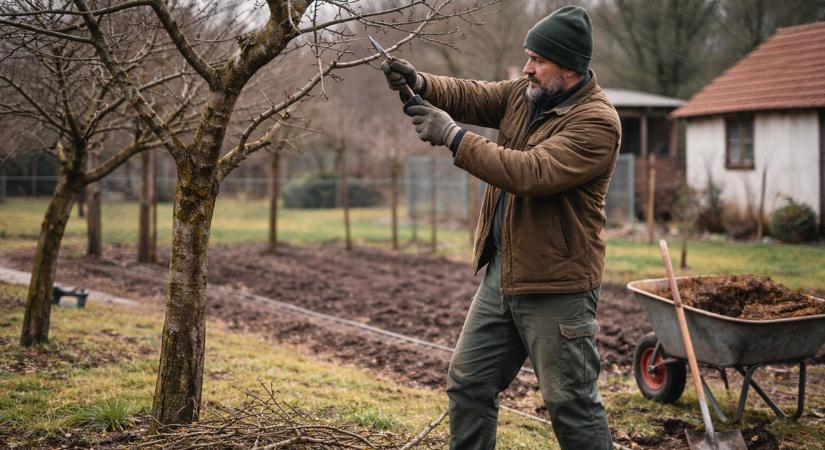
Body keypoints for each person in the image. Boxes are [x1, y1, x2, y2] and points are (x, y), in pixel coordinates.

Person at [381, 5, 620, 450]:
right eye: (527, 57)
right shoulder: (526, 95)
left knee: (571, 402)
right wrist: (421, 83)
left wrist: (453, 137)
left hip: (557, 286)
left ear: (568, 66)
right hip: (503, 275)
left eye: (537, 60)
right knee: (468, 383)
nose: (527, 68)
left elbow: (531, 173)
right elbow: (472, 95)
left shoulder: (596, 123)